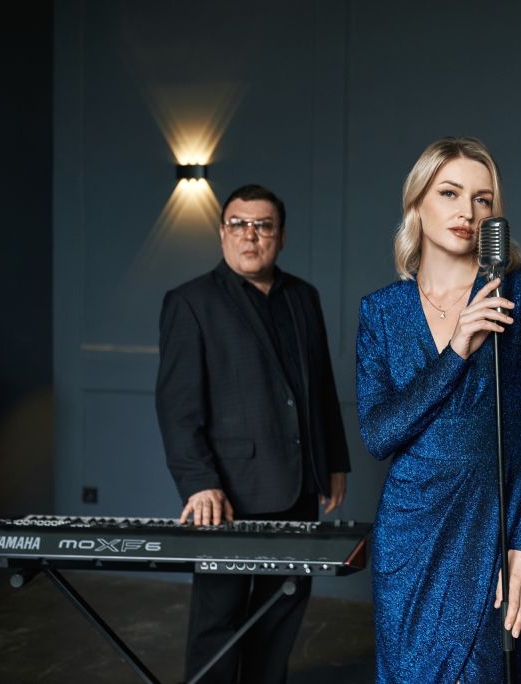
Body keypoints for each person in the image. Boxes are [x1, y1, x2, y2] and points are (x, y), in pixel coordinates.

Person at [355, 137, 521, 682]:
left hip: (495, 531)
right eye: (449, 193)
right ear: (417, 203)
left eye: (483, 199)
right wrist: (457, 350)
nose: (468, 212)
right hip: (410, 536)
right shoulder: (381, 311)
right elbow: (379, 435)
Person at [155, 184, 350, 684]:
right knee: (219, 620)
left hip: (299, 484)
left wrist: (333, 461)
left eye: (263, 226)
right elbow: (177, 408)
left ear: (280, 237)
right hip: (227, 494)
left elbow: (321, 387)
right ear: (222, 233)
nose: (250, 235)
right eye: (239, 224)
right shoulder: (190, 302)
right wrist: (199, 483)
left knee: (282, 609)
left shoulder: (304, 297)